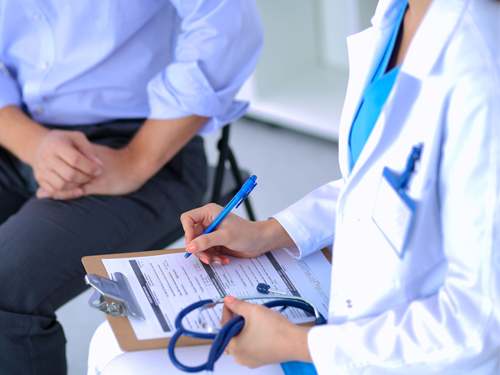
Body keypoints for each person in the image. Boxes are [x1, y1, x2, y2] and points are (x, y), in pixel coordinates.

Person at [181, 0, 500, 373]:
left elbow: (480, 321)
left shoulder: (482, 70)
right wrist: (268, 232)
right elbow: (379, 183)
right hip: (347, 325)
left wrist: (294, 343)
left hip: (408, 356)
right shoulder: (398, 13)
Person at [0, 1, 263, 374]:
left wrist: (138, 159)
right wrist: (31, 144)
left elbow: (229, 21)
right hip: (15, 127)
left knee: (6, 289)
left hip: (143, 140)